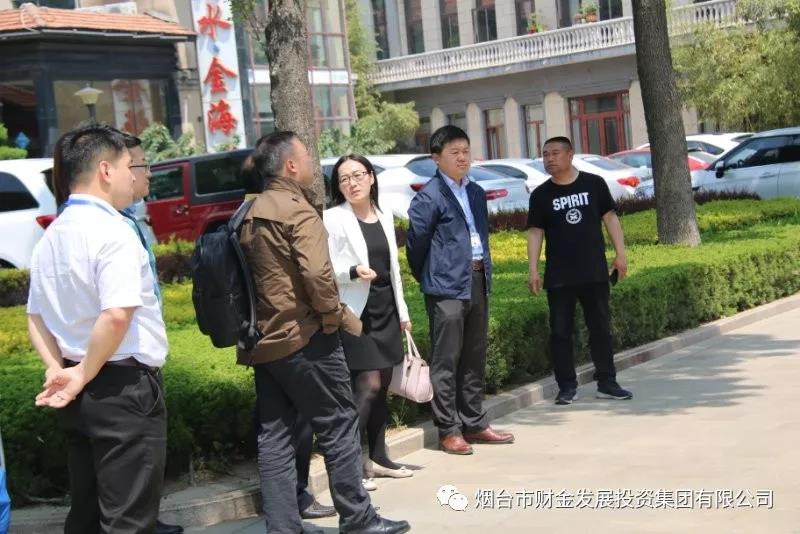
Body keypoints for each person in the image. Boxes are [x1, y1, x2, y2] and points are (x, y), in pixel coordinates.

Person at [238, 131, 410, 534]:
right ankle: (359, 518)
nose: (312, 163)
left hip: (265, 341)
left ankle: (283, 527)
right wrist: (336, 318)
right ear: (291, 166)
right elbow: (317, 276)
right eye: (306, 155)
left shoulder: (249, 211)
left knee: (275, 437)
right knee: (338, 424)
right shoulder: (298, 211)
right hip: (305, 338)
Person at [27, 123, 168, 533]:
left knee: (87, 514)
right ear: (105, 170)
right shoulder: (113, 231)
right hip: (121, 388)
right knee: (128, 520)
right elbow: (116, 314)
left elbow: (35, 316)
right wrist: (80, 374)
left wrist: (59, 370)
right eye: (128, 166)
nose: (132, 175)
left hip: (79, 387)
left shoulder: (52, 235)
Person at [406, 125, 514, 456]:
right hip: (446, 287)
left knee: (474, 355)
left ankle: (475, 422)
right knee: (447, 359)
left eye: (466, 151)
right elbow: (416, 247)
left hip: (477, 279)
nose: (462, 158)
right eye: (454, 152)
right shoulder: (429, 197)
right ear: (436, 158)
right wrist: (433, 276)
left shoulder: (476, 192)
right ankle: (449, 430)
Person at [323, 154, 415, 488]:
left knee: (382, 388)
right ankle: (348, 467)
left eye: (358, 175)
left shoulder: (384, 214)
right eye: (344, 178)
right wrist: (352, 271)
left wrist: (403, 313)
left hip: (386, 310)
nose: (352, 183)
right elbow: (324, 268)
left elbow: (394, 270)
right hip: (356, 315)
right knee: (367, 386)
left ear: (371, 177)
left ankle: (379, 458)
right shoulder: (333, 218)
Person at [526, 136, 633, 405]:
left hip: (594, 271)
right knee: (560, 332)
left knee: (600, 329)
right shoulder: (541, 195)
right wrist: (533, 269)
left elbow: (610, 218)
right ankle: (566, 387)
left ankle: (607, 382)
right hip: (559, 276)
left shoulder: (593, 184)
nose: (549, 159)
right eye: (545, 154)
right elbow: (536, 232)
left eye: (555, 153)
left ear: (570, 154)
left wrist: (620, 254)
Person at [119, 134, 184, 534]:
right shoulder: (112, 227)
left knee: (147, 454)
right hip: (125, 360)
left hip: (142, 350)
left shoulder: (131, 218)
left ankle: (148, 517)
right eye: (142, 165)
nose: (148, 173)